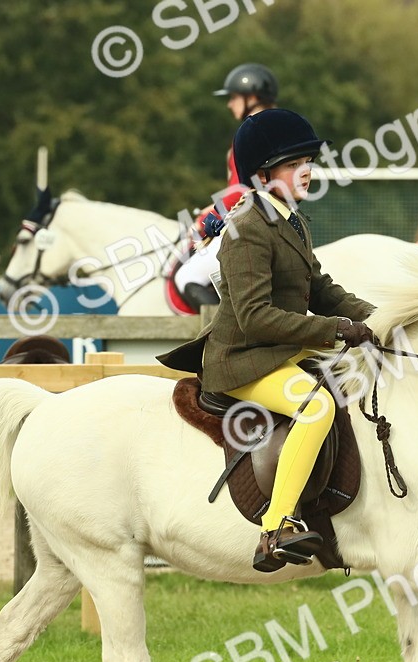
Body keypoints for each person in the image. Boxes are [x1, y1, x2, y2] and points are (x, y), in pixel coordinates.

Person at [159, 109, 377, 573]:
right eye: (294, 163)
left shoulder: (290, 220)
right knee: (315, 406)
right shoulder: (246, 229)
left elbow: (320, 288)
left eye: (308, 161)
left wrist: (380, 319)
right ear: (262, 174)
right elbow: (256, 318)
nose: (308, 170)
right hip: (243, 361)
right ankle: (276, 527)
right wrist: (336, 329)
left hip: (282, 352)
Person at [173, 64, 281, 313]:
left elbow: (246, 188)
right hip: (264, 217)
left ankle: (228, 340)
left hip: (254, 222)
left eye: (233, 97)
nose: (229, 104)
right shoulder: (273, 128)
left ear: (252, 98)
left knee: (186, 278)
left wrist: (208, 215)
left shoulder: (255, 131)